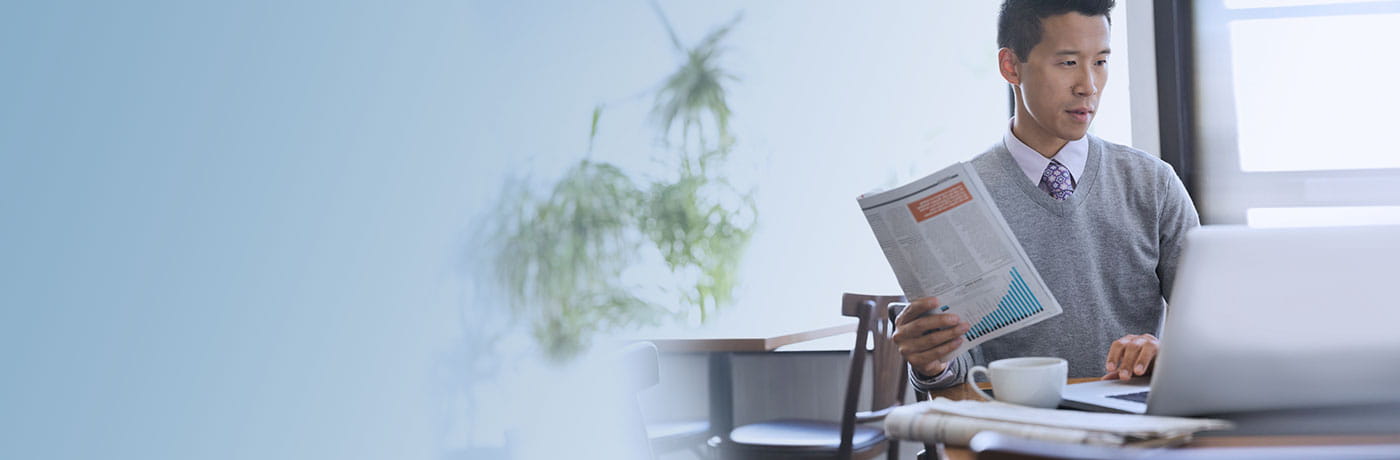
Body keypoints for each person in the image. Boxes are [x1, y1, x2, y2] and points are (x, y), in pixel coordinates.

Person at [892, 0, 1200, 391]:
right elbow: (953, 372)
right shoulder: (955, 202)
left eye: (1100, 62)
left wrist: (1165, 352)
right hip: (1008, 433)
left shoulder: (1153, 184)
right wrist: (932, 363)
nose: (1088, 85)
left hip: (1129, 437)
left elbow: (1211, 330)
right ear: (1011, 66)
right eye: (1068, 63)